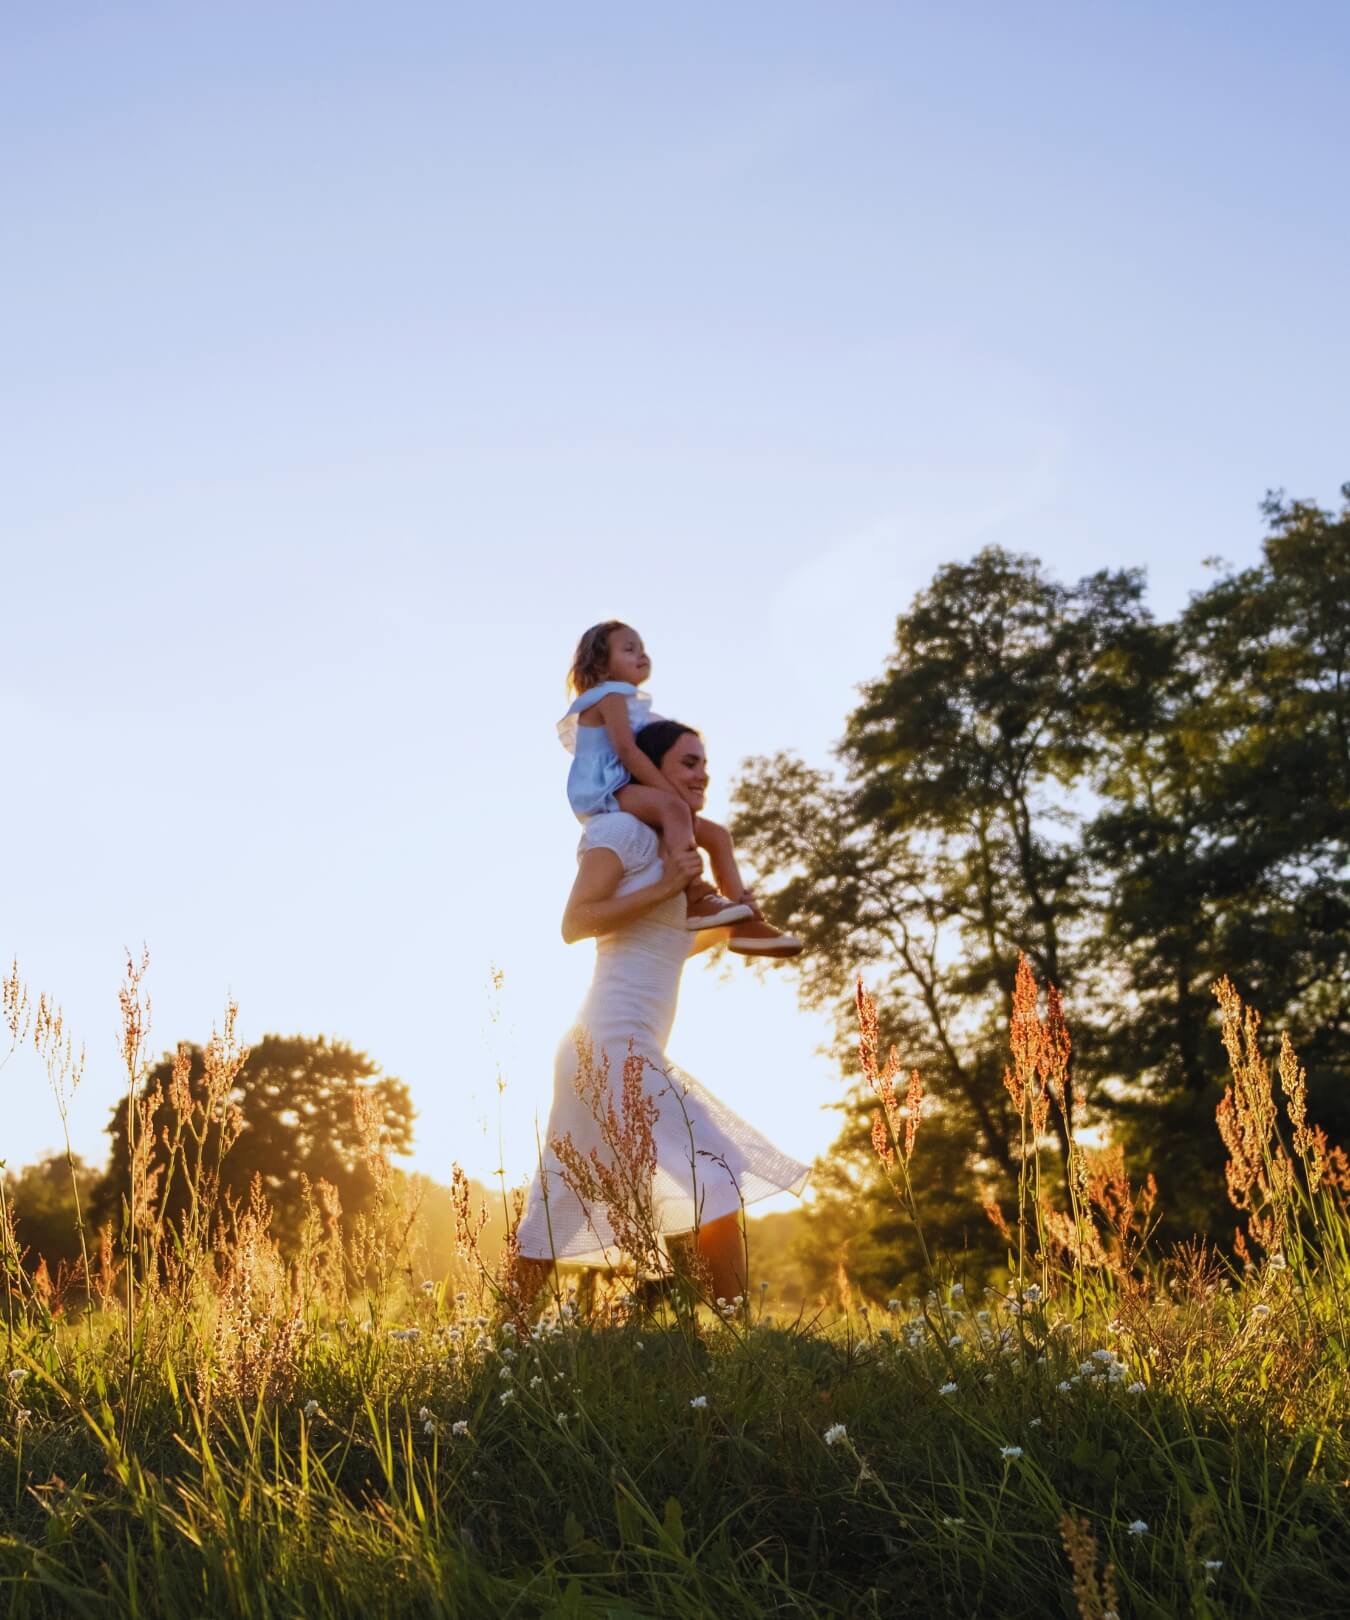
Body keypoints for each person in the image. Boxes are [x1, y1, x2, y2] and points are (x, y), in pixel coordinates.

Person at [514, 718, 810, 1306]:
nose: (704, 774)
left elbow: (666, 942)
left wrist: (730, 922)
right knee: (717, 1172)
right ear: (652, 770)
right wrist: (670, 883)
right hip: (606, 1042)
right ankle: (733, 1336)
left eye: (704, 763)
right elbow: (577, 923)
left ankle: (506, 1338)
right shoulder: (621, 831)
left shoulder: (680, 851)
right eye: (689, 762)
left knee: (562, 1203)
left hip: (613, 1046)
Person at [560, 619, 801, 956]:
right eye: (629, 649)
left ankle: (743, 923)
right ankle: (695, 895)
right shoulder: (609, 695)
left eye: (642, 649)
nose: (641, 655)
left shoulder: (633, 704)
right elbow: (627, 750)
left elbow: (660, 734)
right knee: (674, 809)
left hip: (621, 785)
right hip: (607, 790)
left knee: (717, 836)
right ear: (601, 663)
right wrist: (670, 795)